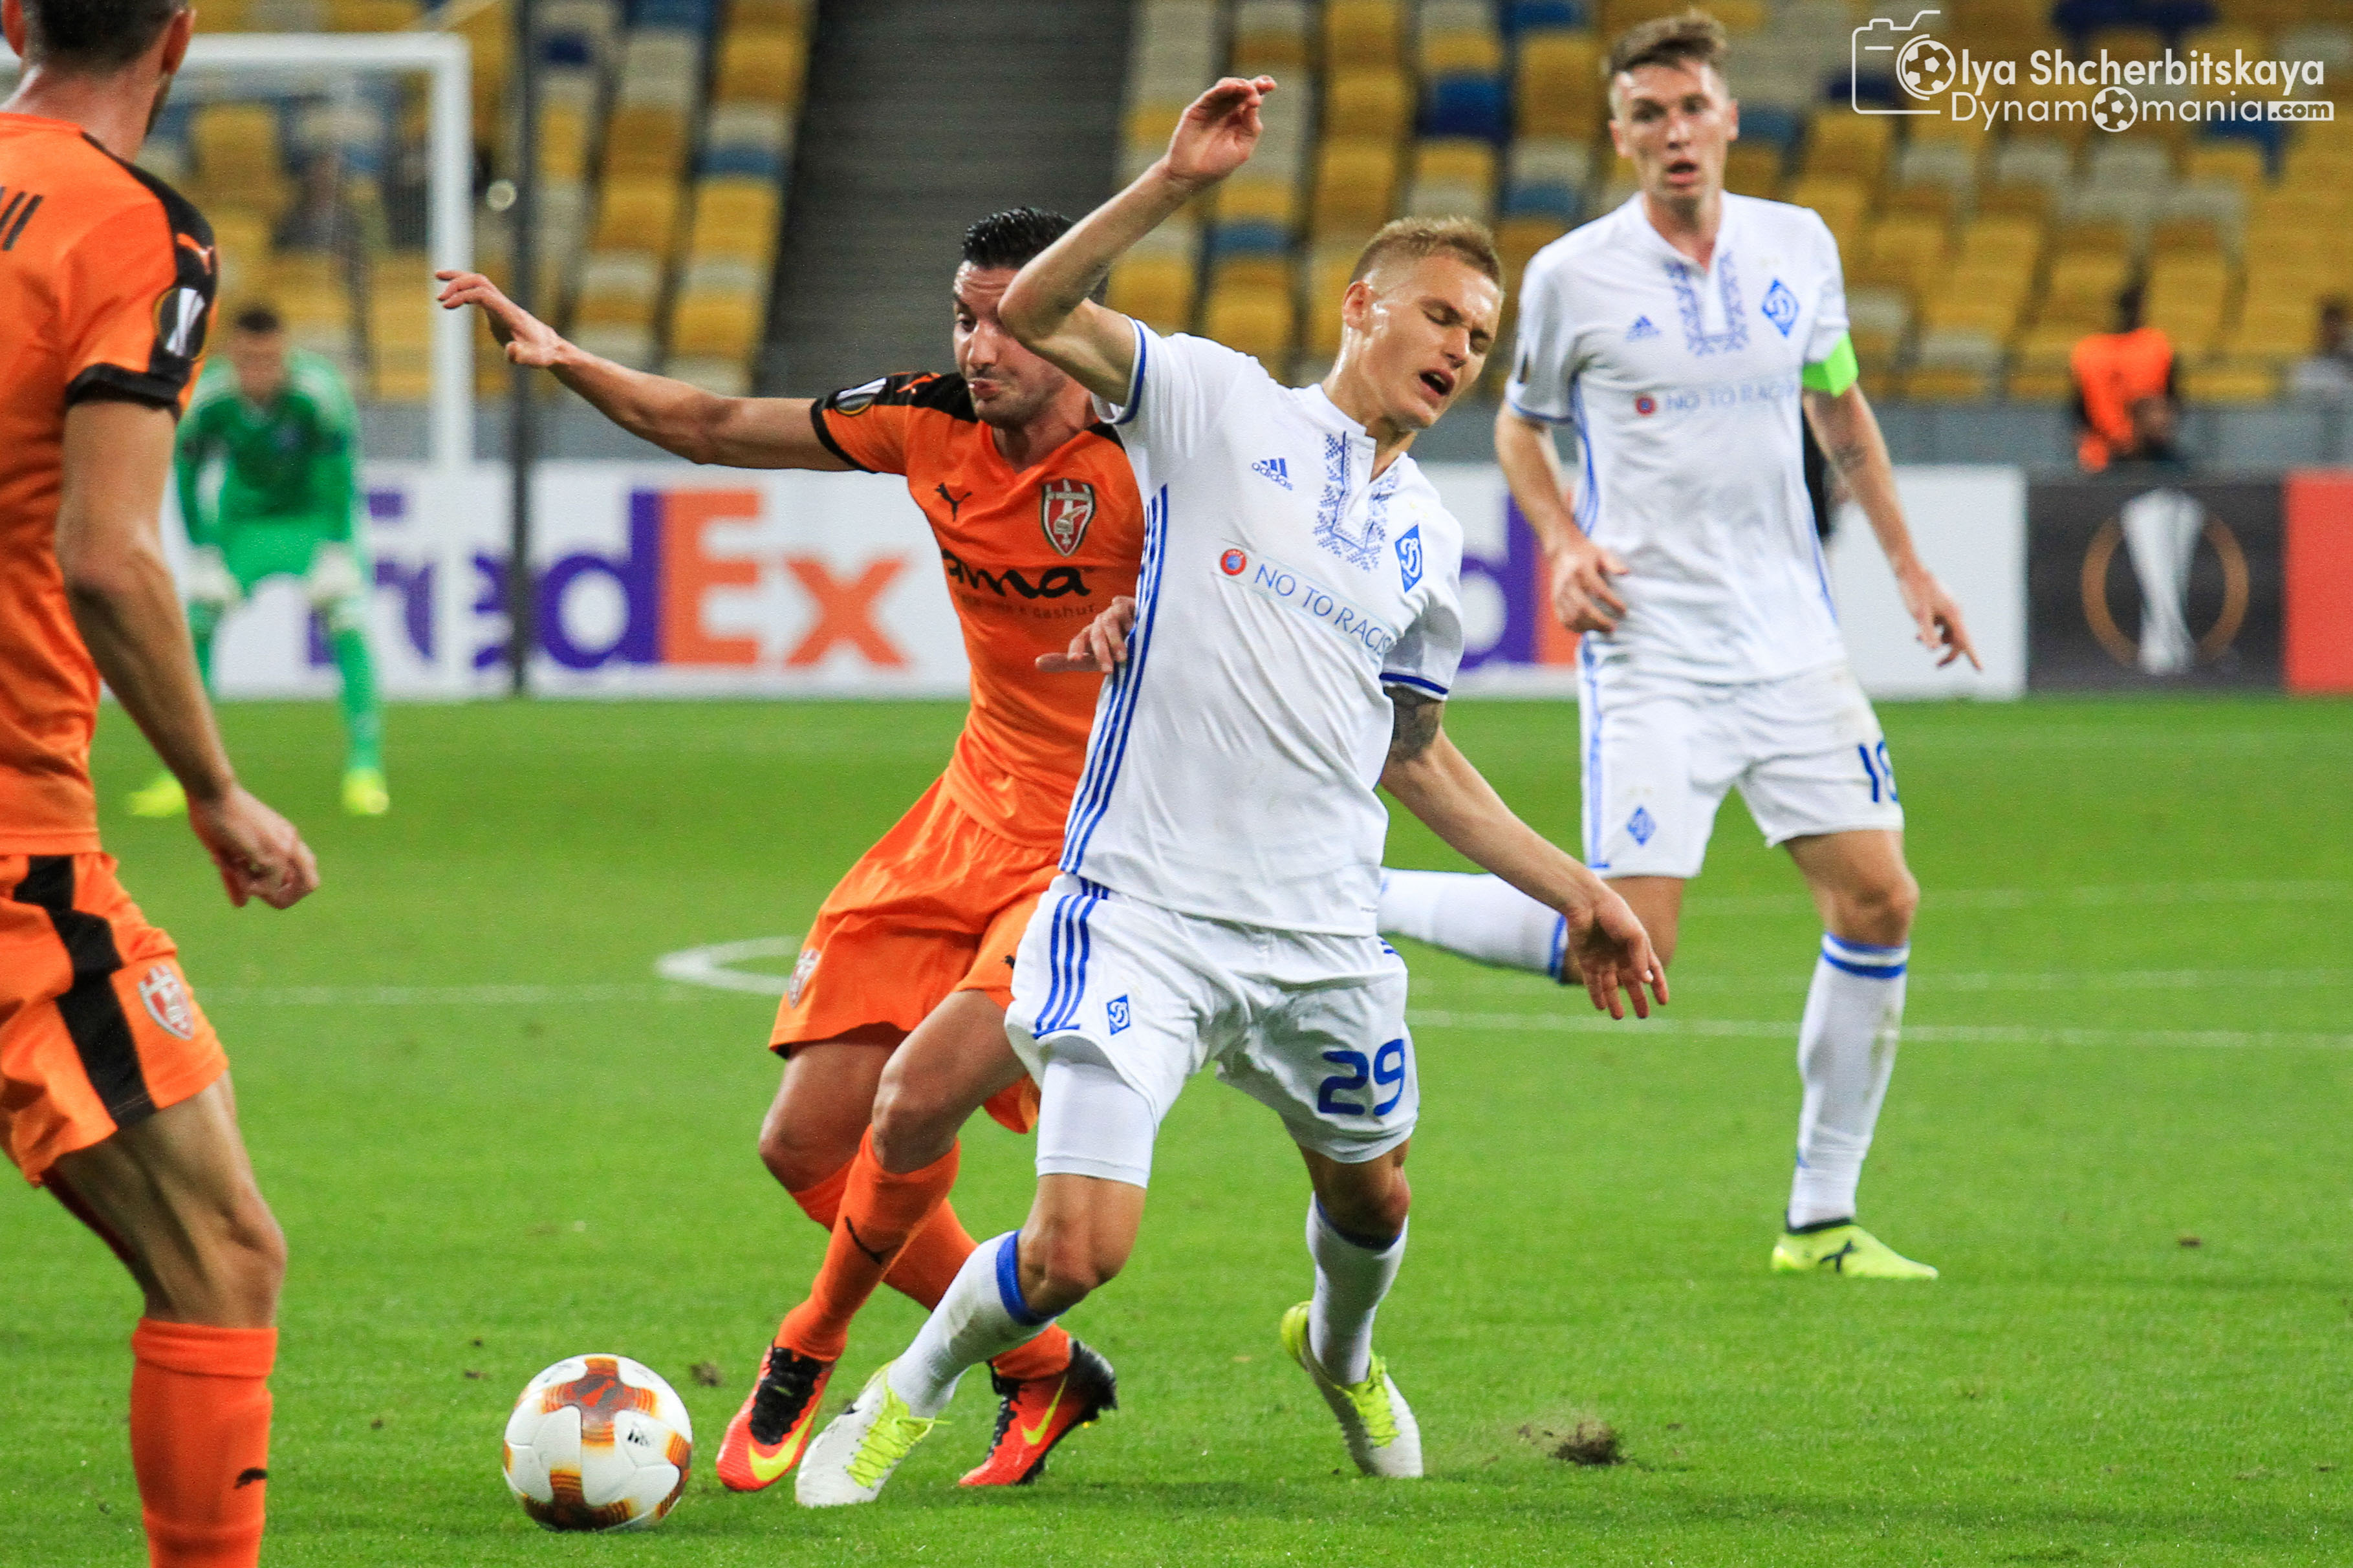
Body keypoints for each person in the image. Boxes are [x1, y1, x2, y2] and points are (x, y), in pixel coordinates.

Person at [793, 75, 1665, 1508]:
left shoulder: (1430, 541)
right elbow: (1036, 307)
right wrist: (1175, 184)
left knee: (1372, 1195)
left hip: (1318, 931)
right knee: (1074, 1251)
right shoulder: (1212, 402)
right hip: (1140, 914)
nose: (1460, 350)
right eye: (1439, 317)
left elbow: (1414, 756)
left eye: (1479, 335)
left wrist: (1580, 892)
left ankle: (1339, 1352)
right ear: (1361, 307)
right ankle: (909, 1393)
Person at [436, 207, 1140, 1490]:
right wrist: (569, 358)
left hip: (1103, 845)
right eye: (963, 318)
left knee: (912, 1098)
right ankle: (1042, 1368)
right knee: (805, 1145)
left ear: (1075, 324)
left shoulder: (1156, 451)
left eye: (1006, 323)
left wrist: (1160, 612)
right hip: (967, 815)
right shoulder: (926, 418)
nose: (978, 348)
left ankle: (809, 1345)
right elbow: (713, 425)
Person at [1382, 8, 1977, 1279]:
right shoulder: (1573, 275)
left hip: (1792, 642)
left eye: (1690, 108)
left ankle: (1820, 1220)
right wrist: (1560, 542)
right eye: (1646, 115)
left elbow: (1839, 410)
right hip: (1652, 651)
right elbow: (1519, 429)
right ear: (1619, 136)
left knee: (1881, 898)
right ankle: (1356, 894)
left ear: (1727, 119)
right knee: (1621, 940)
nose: (1672, 132)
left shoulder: (1798, 245)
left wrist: (1910, 568)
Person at [0, 2, 323, 1565]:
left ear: (12, 18)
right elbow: (110, 556)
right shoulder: (136, 230)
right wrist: (214, 785)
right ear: (181, 36)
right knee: (222, 1252)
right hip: (12, 844)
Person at [129, 305, 388, 818]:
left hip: (311, 520)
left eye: (270, 360)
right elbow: (186, 473)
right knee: (195, 626)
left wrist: (337, 545)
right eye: (249, 360)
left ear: (285, 354)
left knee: (348, 621)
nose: (259, 372)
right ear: (232, 356)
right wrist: (203, 548)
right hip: (243, 525)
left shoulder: (318, 390)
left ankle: (365, 765)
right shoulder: (211, 396)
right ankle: (183, 772)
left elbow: (340, 468)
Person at [2071, 283, 2180, 471]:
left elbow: (2079, 406)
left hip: (2115, 449)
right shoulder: (2154, 346)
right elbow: (2173, 397)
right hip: (2116, 450)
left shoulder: (2089, 351)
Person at [2288, 295, 2353, 402]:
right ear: (2321, 329)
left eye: (2337, 326)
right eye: (2329, 327)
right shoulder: (2307, 367)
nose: (2333, 332)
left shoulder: (2349, 361)